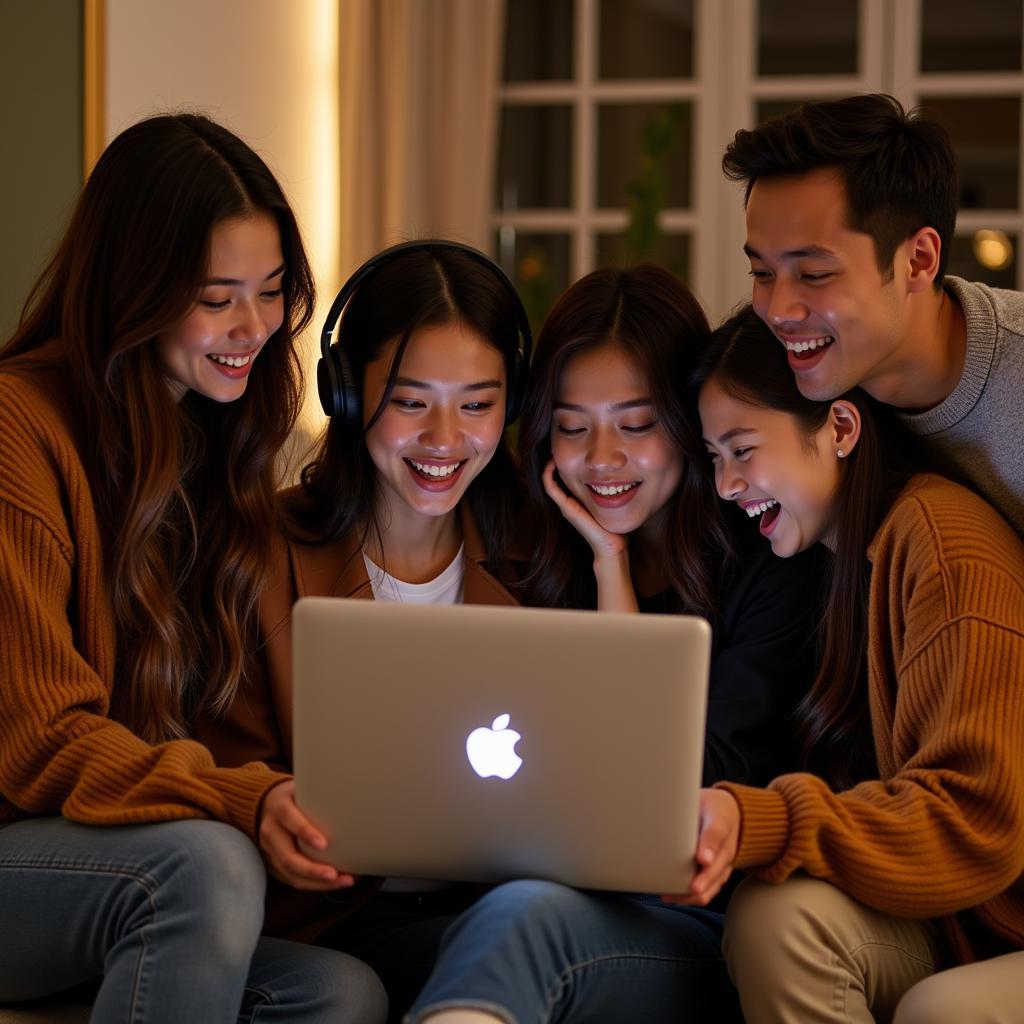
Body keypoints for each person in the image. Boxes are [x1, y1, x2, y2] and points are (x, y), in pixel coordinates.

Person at [0, 113, 385, 1023]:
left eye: (272, 290)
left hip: (111, 869)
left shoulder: (219, 444)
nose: (253, 328)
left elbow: (225, 730)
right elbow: (38, 743)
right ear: (134, 287)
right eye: (217, 298)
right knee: (202, 866)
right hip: (27, 852)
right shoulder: (19, 428)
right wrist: (239, 803)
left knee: (342, 995)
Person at [401, 266, 826, 1024]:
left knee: (520, 921)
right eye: (571, 427)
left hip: (692, 919)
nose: (601, 458)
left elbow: (670, 800)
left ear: (690, 422)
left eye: (636, 426)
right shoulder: (526, 549)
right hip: (530, 895)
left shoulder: (769, 559)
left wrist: (612, 569)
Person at [199, 240, 532, 1022]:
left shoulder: (533, 564)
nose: (446, 439)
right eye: (412, 403)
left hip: (486, 913)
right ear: (348, 396)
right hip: (318, 920)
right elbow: (216, 767)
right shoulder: (261, 552)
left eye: (478, 405)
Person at [687, 305, 1024, 1024]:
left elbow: (975, 820)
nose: (725, 485)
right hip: (947, 918)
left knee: (941, 1009)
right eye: (714, 458)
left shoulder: (942, 547)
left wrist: (760, 821)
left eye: (743, 450)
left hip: (1000, 916)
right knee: (775, 919)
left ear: (840, 429)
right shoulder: (837, 562)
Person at [722, 92, 1024, 532]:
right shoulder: (789, 383)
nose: (779, 312)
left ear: (918, 260)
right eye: (762, 272)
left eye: (814, 274)